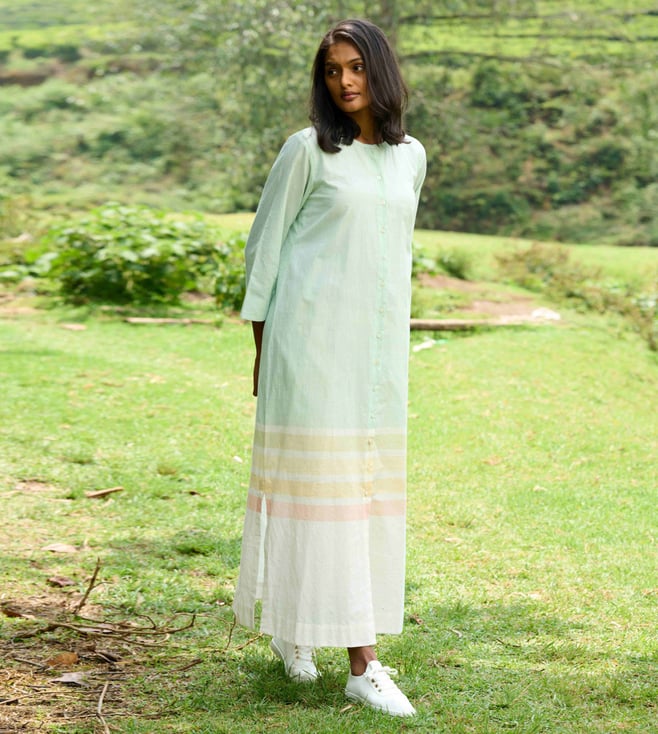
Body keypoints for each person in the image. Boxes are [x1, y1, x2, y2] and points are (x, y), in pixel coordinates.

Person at [232, 18, 426, 718]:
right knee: (323, 493)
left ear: (381, 70)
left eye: (356, 67)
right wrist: (264, 352)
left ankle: (297, 628)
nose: (345, 81)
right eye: (332, 70)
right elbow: (265, 252)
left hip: (376, 360)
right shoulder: (306, 150)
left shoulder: (410, 157)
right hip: (309, 349)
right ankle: (362, 663)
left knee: (360, 499)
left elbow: (393, 256)